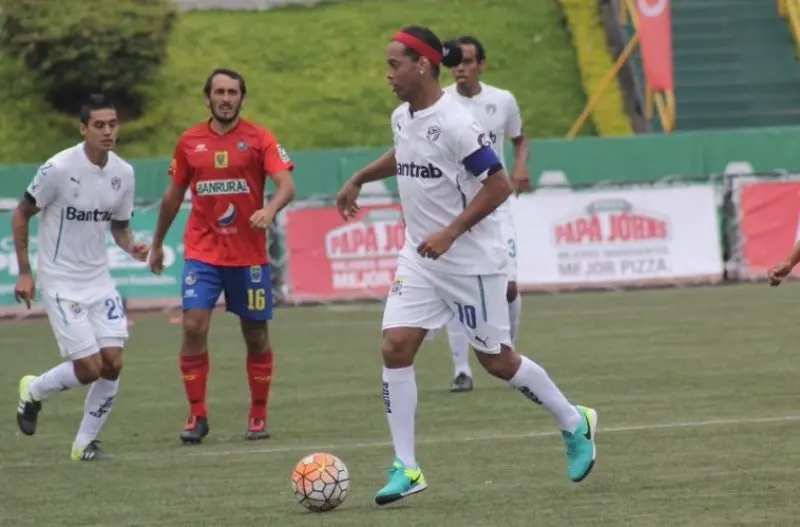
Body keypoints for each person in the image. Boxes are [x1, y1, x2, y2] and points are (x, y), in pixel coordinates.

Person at [335, 25, 597, 506]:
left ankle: (574, 421)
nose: (387, 73)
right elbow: (405, 153)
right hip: (420, 255)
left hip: (471, 260)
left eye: (394, 64)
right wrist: (359, 177)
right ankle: (407, 467)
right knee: (395, 347)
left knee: (496, 361)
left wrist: (451, 231)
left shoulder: (457, 123)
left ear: (422, 65)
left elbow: (498, 185)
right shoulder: (402, 116)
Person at [148, 68, 296, 445]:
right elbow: (173, 195)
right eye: (219, 92)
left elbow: (286, 184)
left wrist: (270, 210)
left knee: (256, 335)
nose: (226, 98)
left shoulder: (259, 138)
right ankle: (197, 415)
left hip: (248, 257)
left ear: (241, 99)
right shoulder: (189, 142)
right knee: (194, 327)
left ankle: (258, 416)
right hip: (203, 253)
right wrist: (156, 243)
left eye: (232, 92)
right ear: (208, 98)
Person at [13, 94, 149, 461]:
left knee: (114, 362)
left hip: (98, 280)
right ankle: (34, 391)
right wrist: (25, 271)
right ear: (83, 129)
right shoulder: (58, 168)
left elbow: (120, 228)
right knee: (90, 368)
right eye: (99, 125)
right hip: (60, 281)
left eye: (113, 124)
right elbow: (21, 214)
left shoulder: (123, 173)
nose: (108, 131)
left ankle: (84, 444)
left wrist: (132, 246)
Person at [441, 35, 531, 393]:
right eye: (455, 63)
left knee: (509, 287)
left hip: (497, 204)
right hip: (456, 206)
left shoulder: (502, 101)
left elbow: (519, 139)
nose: (460, 69)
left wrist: (520, 166)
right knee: (457, 288)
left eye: (467, 61)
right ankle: (462, 369)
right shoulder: (442, 102)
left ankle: (508, 354)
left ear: (481, 64)